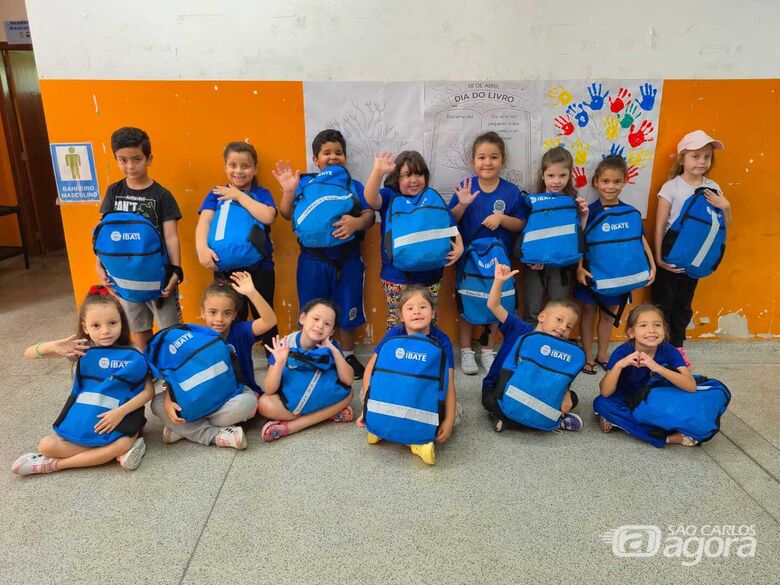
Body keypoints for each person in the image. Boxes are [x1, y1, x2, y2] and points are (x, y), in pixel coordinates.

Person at [12, 286, 153, 476]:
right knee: (46, 446)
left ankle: (52, 465)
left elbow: (148, 392)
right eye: (96, 325)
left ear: (122, 322)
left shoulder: (133, 350)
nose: (105, 331)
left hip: (122, 415)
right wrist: (54, 346)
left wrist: (119, 413)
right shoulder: (81, 349)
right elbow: (28, 353)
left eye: (112, 323)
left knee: (121, 442)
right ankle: (116, 453)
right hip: (89, 415)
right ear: (85, 327)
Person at [273, 129, 375, 378]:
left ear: (345, 157)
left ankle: (347, 354)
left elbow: (370, 214)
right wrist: (288, 190)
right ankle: (310, 354)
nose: (333, 157)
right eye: (326, 153)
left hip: (348, 258)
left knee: (348, 308)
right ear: (315, 159)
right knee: (312, 309)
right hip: (312, 260)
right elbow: (287, 214)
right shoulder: (305, 183)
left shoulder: (354, 185)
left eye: (338, 153)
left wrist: (355, 224)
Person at [150, 272, 278, 448]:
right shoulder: (193, 337)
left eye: (226, 313)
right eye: (213, 312)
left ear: (234, 315)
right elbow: (176, 377)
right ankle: (213, 433)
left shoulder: (240, 332)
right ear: (202, 312)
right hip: (200, 397)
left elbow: (270, 321)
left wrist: (251, 292)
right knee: (157, 404)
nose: (219, 319)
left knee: (250, 403)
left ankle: (187, 429)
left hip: (233, 396)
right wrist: (167, 399)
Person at [96, 127, 182, 350]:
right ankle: (147, 369)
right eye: (122, 160)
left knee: (169, 330)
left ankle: (168, 374)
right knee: (138, 327)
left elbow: (171, 236)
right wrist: (100, 265)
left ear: (149, 159)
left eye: (137, 159)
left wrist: (175, 271)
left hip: (159, 277)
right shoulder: (114, 191)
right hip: (126, 279)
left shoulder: (162, 195)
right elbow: (105, 234)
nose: (130, 166)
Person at [448, 132, 526, 375]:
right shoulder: (466, 187)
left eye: (494, 157)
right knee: (468, 301)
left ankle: (488, 350)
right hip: (468, 260)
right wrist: (462, 205)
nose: (488, 162)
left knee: (495, 302)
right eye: (482, 157)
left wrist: (502, 218)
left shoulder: (511, 192)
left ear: (503, 160)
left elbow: (520, 224)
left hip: (498, 262)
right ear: (473, 161)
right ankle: (466, 351)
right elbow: (450, 221)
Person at [652, 130, 732, 366]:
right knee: (662, 304)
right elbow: (659, 226)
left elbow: (723, 227)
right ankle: (657, 346)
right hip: (671, 257)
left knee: (684, 304)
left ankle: (677, 345)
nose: (702, 162)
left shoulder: (714, 188)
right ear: (682, 158)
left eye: (706, 157)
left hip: (696, 258)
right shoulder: (671, 187)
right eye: (695, 156)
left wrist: (725, 205)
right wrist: (658, 258)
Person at [357, 285, 458, 465]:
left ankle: (381, 429)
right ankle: (415, 443)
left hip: (419, 393)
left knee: (456, 414)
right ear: (401, 316)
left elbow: (448, 383)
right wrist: (367, 404)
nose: (416, 312)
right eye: (410, 308)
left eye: (423, 307)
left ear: (433, 312)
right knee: (363, 393)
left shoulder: (442, 340)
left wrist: (449, 420)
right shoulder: (394, 334)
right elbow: (371, 370)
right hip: (394, 391)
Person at [364, 150, 463, 330]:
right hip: (396, 276)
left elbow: (449, 224)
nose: (414, 180)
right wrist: (377, 172)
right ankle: (396, 355)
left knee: (428, 320)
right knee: (398, 321)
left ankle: (428, 355)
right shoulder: (389, 197)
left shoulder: (431, 197)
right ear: (396, 178)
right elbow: (371, 199)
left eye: (419, 174)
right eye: (406, 175)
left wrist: (460, 246)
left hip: (431, 275)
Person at [575, 155, 656, 374]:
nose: (611, 187)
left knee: (609, 315)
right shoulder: (587, 211)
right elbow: (579, 241)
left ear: (625, 181)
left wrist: (653, 266)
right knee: (589, 312)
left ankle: (602, 354)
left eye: (616, 181)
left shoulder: (630, 212)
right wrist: (579, 268)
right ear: (596, 182)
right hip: (592, 275)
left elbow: (639, 239)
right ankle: (587, 357)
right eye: (605, 181)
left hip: (618, 277)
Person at [195, 141, 278, 349]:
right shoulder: (216, 193)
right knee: (231, 318)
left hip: (260, 269)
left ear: (255, 168)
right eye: (233, 165)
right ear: (225, 167)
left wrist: (239, 195)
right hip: (225, 269)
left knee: (264, 314)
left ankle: (274, 360)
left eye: (245, 166)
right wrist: (202, 249)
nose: (238, 171)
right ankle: (234, 359)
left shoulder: (262, 194)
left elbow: (268, 216)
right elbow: (204, 222)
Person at [481, 263, 583, 432]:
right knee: (489, 400)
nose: (563, 327)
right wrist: (499, 281)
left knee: (573, 398)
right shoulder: (519, 328)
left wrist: (566, 395)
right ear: (542, 316)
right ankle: (551, 422)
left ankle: (510, 420)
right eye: (559, 320)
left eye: (569, 326)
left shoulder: (562, 347)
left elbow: (562, 378)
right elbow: (493, 305)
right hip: (503, 385)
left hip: (536, 389)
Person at [594, 304, 699, 447]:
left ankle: (619, 422)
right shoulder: (622, 352)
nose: (651, 330)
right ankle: (667, 437)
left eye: (657, 325)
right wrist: (619, 365)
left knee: (687, 403)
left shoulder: (670, 351)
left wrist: (657, 368)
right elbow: (605, 392)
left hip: (655, 399)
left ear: (664, 330)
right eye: (643, 325)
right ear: (631, 332)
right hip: (626, 398)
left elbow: (691, 386)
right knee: (601, 403)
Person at [259, 299, 355, 441]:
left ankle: (291, 427)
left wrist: (334, 351)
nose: (320, 326)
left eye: (327, 324)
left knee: (350, 394)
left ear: (332, 331)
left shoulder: (332, 346)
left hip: (317, 396)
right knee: (264, 404)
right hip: (292, 399)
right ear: (303, 318)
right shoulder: (285, 344)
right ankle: (324, 415)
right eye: (316, 319)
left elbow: (348, 380)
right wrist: (279, 363)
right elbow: (269, 389)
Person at [521, 146, 588, 326]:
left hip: (563, 267)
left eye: (562, 176)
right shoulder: (533, 202)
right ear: (542, 175)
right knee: (532, 312)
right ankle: (529, 350)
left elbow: (578, 237)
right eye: (551, 176)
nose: (556, 181)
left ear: (570, 176)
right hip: (535, 266)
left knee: (559, 313)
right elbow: (526, 234)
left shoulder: (574, 202)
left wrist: (583, 216)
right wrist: (528, 260)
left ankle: (555, 348)